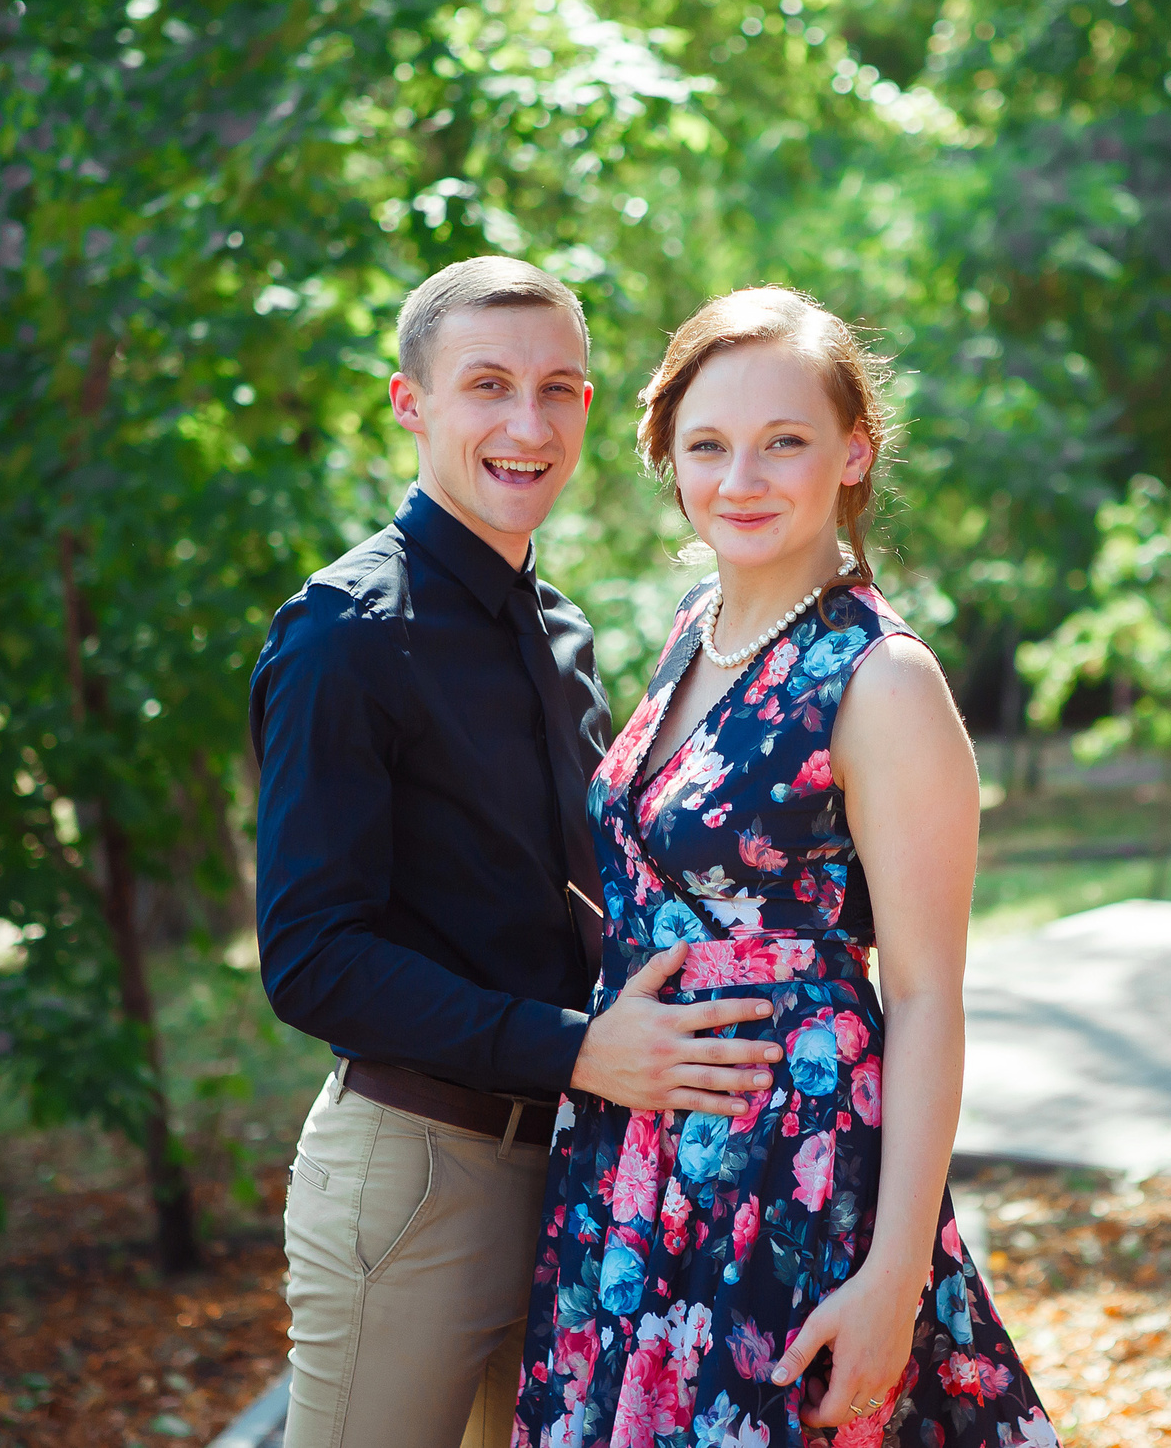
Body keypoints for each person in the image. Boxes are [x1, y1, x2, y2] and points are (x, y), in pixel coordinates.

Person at [251, 257, 793, 1448]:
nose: (527, 425)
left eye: (557, 390)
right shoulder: (346, 635)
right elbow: (309, 959)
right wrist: (579, 1049)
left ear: (588, 408)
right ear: (411, 404)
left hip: (581, 1172)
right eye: (487, 385)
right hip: (417, 1176)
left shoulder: (563, 633)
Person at [513, 288, 1058, 1446]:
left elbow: (925, 995)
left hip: (789, 1177)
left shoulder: (881, 678)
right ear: (668, 457)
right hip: (636, 1169)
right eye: (708, 446)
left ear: (853, 453)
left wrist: (894, 1278)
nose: (741, 479)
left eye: (784, 442)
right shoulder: (695, 630)